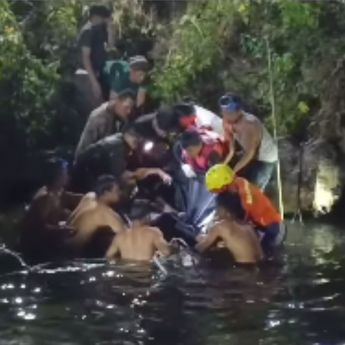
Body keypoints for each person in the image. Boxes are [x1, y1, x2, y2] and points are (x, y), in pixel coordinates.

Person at [205, 164, 285, 253]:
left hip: (273, 228)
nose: (217, 193)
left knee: (265, 256)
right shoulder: (235, 184)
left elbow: (241, 225)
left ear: (226, 185)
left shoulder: (246, 197)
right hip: (257, 225)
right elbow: (221, 214)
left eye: (218, 190)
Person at [74, 124, 172, 192]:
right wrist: (155, 171)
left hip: (90, 175)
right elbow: (123, 177)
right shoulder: (117, 149)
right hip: (83, 182)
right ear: (135, 139)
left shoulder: (120, 139)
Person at [20, 159, 82, 261]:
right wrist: (61, 230)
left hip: (48, 242)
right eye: (65, 173)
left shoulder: (57, 192)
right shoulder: (44, 197)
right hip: (35, 250)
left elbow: (72, 197)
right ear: (57, 176)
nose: (68, 177)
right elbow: (38, 228)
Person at [219, 94, 278, 190]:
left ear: (238, 111)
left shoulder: (249, 124)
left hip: (265, 157)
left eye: (229, 112)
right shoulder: (226, 121)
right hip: (250, 153)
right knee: (240, 183)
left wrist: (233, 172)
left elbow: (249, 153)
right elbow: (231, 149)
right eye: (223, 111)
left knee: (253, 189)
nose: (225, 114)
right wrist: (223, 165)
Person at [67, 175, 126, 255]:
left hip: (65, 245)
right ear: (106, 192)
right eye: (117, 190)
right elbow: (125, 238)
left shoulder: (88, 198)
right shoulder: (103, 213)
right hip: (73, 255)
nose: (120, 193)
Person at [74, 5, 114, 117]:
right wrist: (94, 83)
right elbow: (85, 58)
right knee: (93, 113)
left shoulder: (99, 30)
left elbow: (111, 46)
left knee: (99, 110)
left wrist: (110, 27)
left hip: (96, 74)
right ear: (96, 17)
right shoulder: (88, 31)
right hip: (86, 75)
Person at [75, 89, 135, 159]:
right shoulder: (99, 117)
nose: (129, 111)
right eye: (127, 107)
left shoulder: (121, 117)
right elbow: (87, 147)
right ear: (118, 101)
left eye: (131, 108)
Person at [195, 206, 263, 264]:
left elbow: (199, 248)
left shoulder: (221, 226)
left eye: (218, 208)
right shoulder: (248, 226)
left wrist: (199, 240)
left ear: (224, 209)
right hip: (262, 266)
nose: (216, 212)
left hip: (243, 272)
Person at [106, 225, 170, 262]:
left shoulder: (120, 235)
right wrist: (174, 247)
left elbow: (108, 257)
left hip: (125, 274)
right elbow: (167, 252)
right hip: (145, 276)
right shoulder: (153, 232)